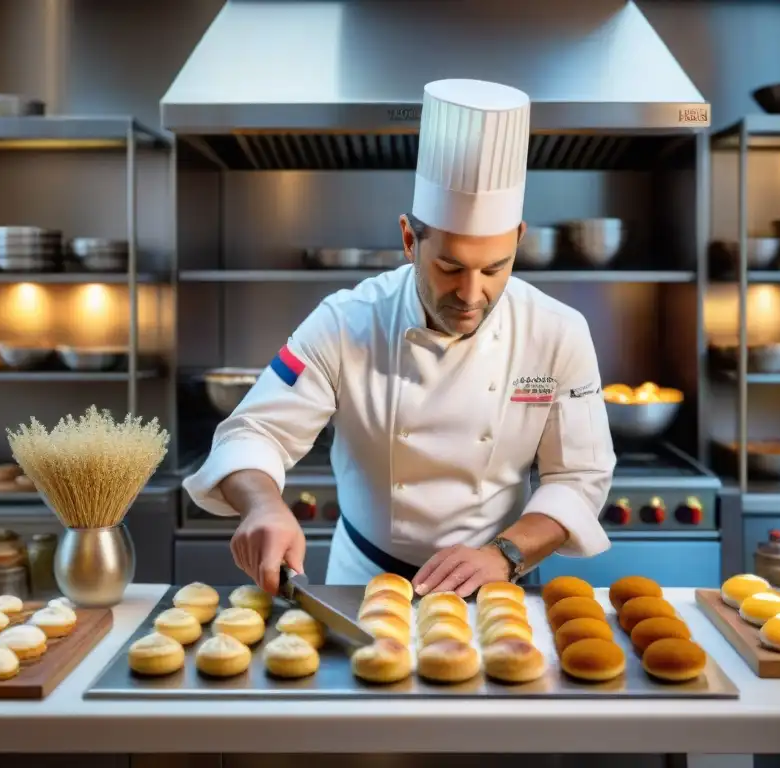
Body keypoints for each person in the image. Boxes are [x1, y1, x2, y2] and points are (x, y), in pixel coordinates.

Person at [184, 79, 616, 597]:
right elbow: (253, 433)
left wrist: (506, 554)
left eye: (495, 268)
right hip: (363, 583)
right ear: (410, 239)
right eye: (450, 267)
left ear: (519, 240)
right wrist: (263, 504)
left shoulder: (557, 331)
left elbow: (579, 478)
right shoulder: (347, 321)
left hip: (499, 584)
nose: (472, 294)